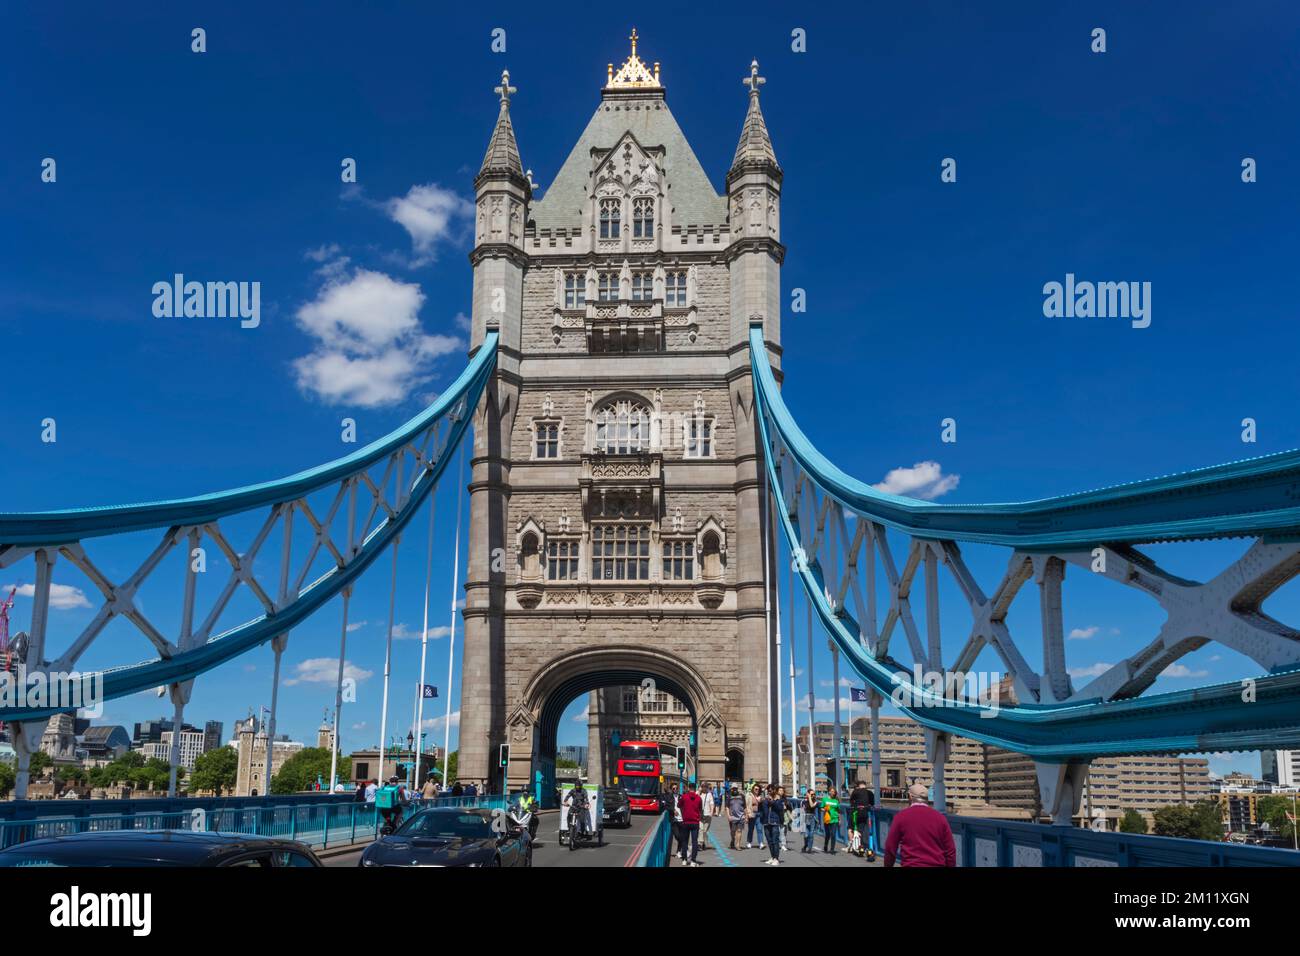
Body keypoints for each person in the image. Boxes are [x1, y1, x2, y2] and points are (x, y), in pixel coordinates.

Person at [884, 783, 956, 868]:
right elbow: (950, 850)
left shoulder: (901, 817)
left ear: (910, 797)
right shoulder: (940, 818)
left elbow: (890, 847)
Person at [758, 784, 789, 865]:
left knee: (775, 841)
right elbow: (761, 810)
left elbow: (780, 809)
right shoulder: (765, 799)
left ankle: (776, 859)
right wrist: (761, 802)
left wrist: (772, 801)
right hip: (766, 822)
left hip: (775, 822)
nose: (769, 791)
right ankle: (772, 857)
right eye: (768, 790)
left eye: (771, 790)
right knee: (769, 841)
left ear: (774, 791)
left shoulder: (779, 800)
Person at [677, 781, 703, 866]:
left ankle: (684, 859)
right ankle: (693, 861)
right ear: (695, 789)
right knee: (694, 842)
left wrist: (683, 811)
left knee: (685, 841)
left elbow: (678, 805)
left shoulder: (684, 797)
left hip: (686, 821)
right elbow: (700, 810)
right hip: (695, 822)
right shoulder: (699, 798)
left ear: (688, 788)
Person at [849, 780, 876, 857]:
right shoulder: (870, 793)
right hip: (866, 813)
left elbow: (851, 801)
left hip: (857, 813)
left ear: (859, 785)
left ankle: (860, 847)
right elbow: (872, 803)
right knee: (867, 830)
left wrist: (855, 806)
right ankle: (867, 847)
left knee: (858, 829)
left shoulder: (855, 791)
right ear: (865, 785)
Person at [745, 783, 765, 849]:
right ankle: (749, 842)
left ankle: (761, 843)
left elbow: (764, 803)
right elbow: (747, 805)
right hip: (752, 813)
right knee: (751, 829)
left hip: (759, 814)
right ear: (753, 789)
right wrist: (747, 815)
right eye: (756, 789)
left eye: (758, 789)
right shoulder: (749, 795)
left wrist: (761, 800)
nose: (757, 790)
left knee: (759, 829)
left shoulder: (761, 796)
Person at [801, 786, 821, 853]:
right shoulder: (803, 801)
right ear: (808, 794)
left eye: (814, 794)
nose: (813, 796)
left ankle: (810, 848)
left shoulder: (816, 802)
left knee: (811, 834)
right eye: (811, 794)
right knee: (806, 834)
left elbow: (812, 805)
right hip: (805, 817)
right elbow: (802, 810)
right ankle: (805, 845)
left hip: (812, 818)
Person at [822, 785, 841, 854]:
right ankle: (825, 845)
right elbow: (821, 808)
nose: (833, 793)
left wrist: (839, 820)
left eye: (834, 792)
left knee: (833, 834)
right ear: (829, 792)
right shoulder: (824, 799)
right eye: (832, 791)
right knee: (827, 834)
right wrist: (824, 809)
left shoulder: (836, 801)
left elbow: (838, 811)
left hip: (834, 819)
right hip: (827, 819)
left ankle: (832, 849)